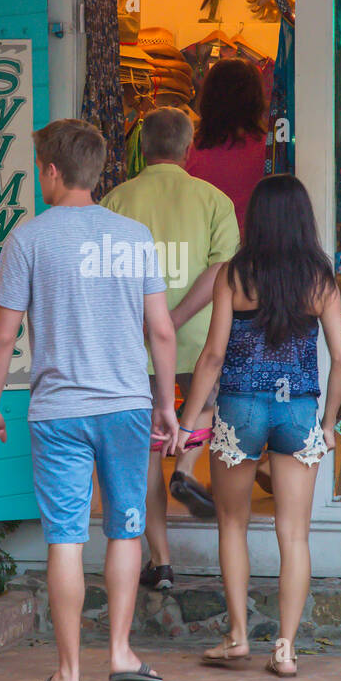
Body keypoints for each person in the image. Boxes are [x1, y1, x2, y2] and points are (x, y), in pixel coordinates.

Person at [0, 119, 181, 681]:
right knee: (126, 529)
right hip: (126, 405)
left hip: (58, 410)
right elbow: (162, 333)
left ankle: (67, 676)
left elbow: (2, 337)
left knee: (65, 536)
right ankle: (120, 652)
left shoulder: (29, 239)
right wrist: (166, 404)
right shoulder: (135, 236)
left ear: (50, 171)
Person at [177, 175, 341, 678]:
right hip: (298, 408)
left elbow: (212, 356)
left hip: (240, 408)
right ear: (302, 218)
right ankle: (285, 648)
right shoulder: (320, 278)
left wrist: (189, 422)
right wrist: (329, 423)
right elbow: (340, 361)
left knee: (232, 524)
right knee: (294, 534)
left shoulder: (234, 274)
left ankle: (236, 638)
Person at [101, 107, 240, 590]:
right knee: (210, 406)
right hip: (200, 340)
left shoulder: (116, 201)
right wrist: (177, 318)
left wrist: (150, 321)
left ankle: (159, 562)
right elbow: (223, 269)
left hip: (134, 344)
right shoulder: (213, 200)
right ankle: (185, 464)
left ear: (142, 147)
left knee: (141, 451)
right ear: (188, 149)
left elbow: (107, 276)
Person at [187, 57, 268, 235]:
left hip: (204, 250)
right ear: (255, 99)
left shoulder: (189, 151)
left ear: (209, 98)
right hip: (255, 249)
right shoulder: (269, 151)